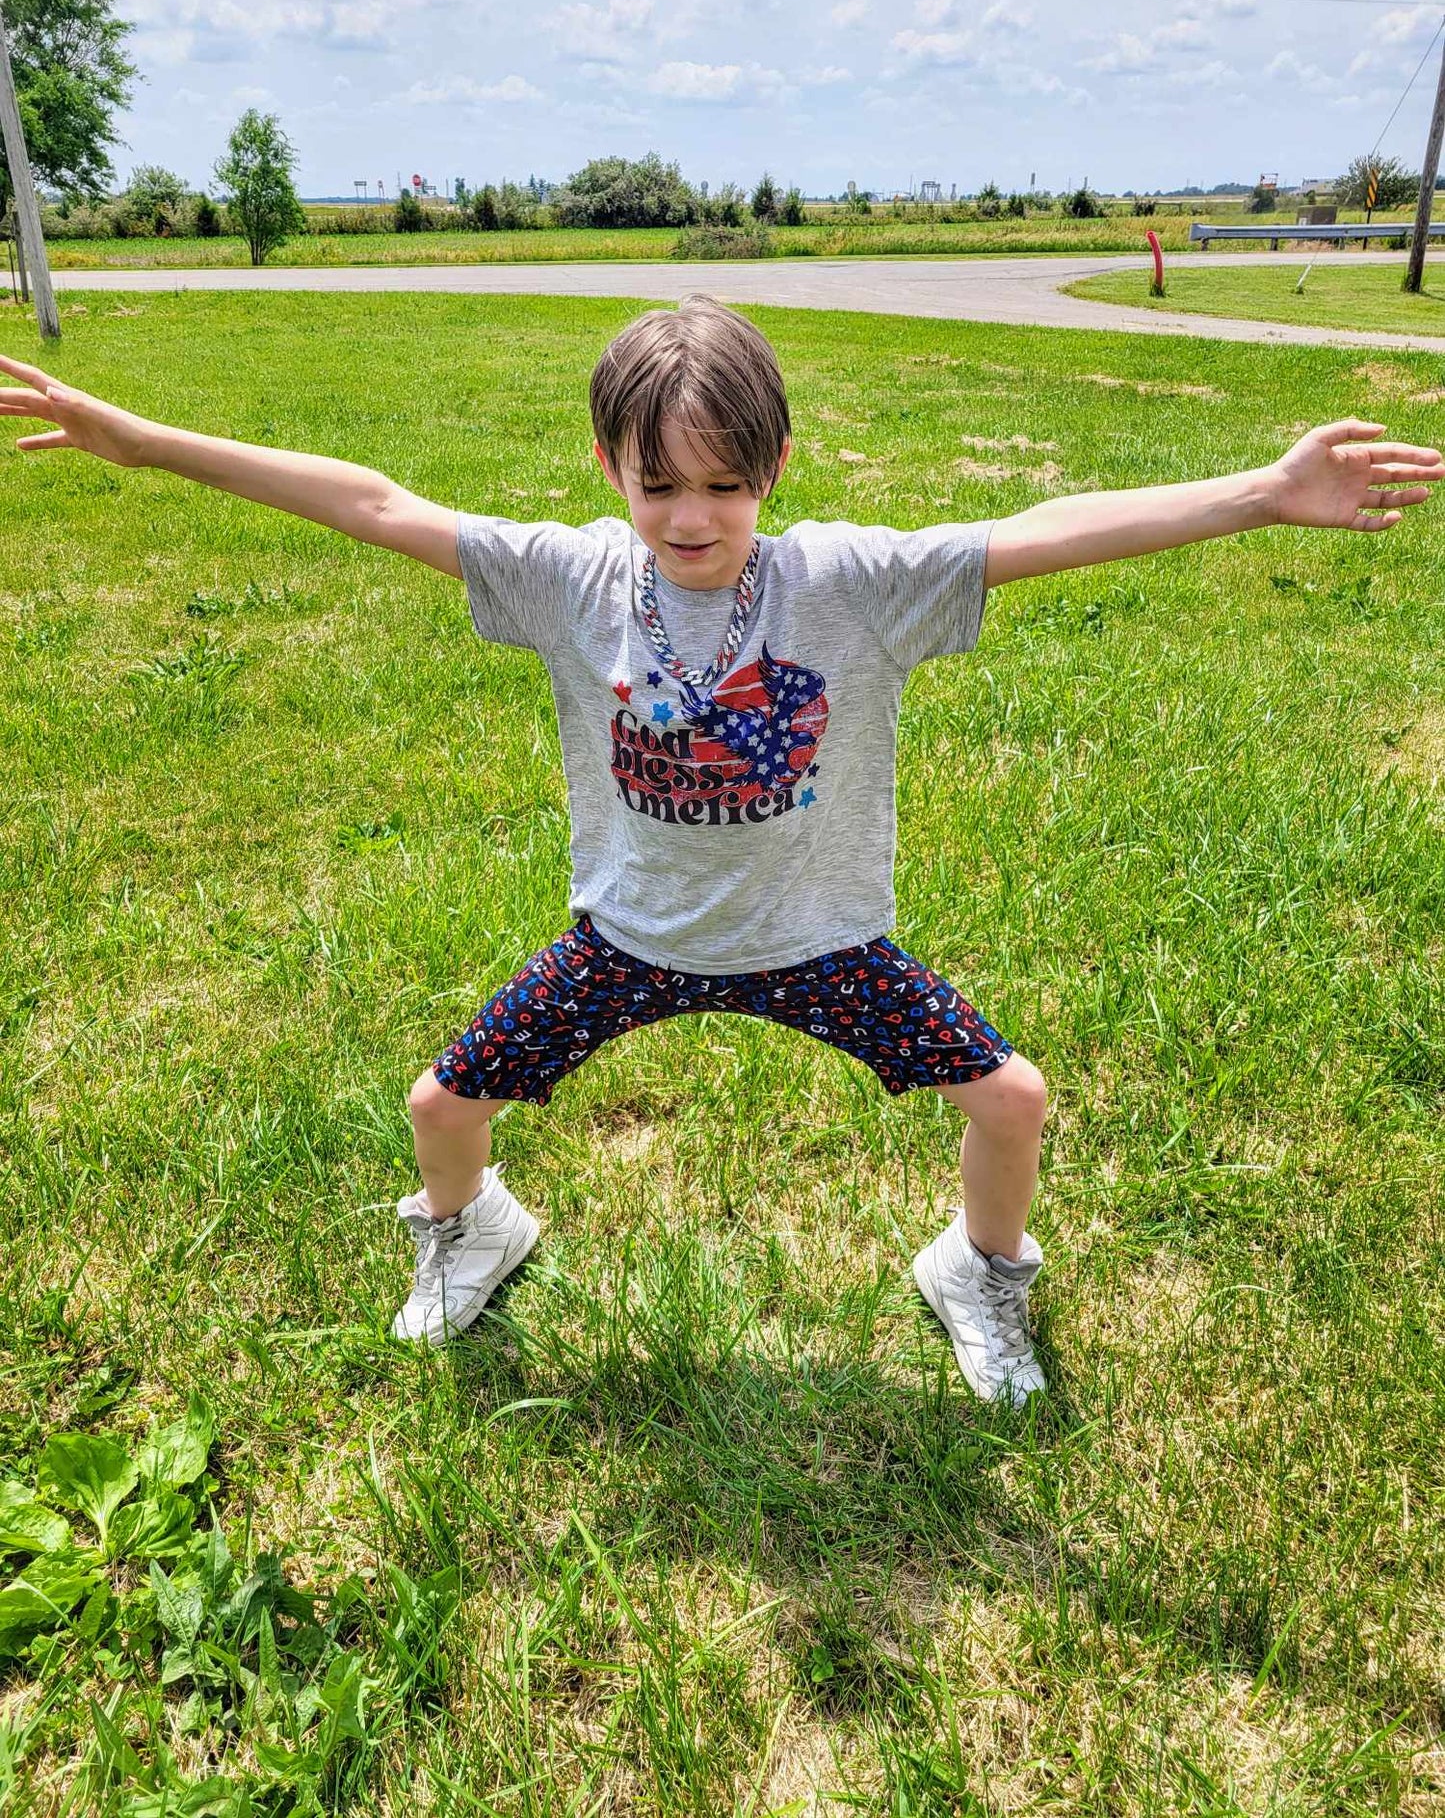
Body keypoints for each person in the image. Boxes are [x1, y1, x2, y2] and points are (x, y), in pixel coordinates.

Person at [2, 299, 1439, 1405]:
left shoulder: (848, 585)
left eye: (725, 485)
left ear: (775, 470)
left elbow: (1038, 529)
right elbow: (374, 502)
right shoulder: (570, 578)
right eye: (659, 485)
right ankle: (478, 1235)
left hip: (823, 944)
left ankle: (978, 1270)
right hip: (628, 940)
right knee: (440, 1109)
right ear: (607, 469)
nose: (691, 517)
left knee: (1010, 1100)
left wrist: (1255, 492)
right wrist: (146, 444)